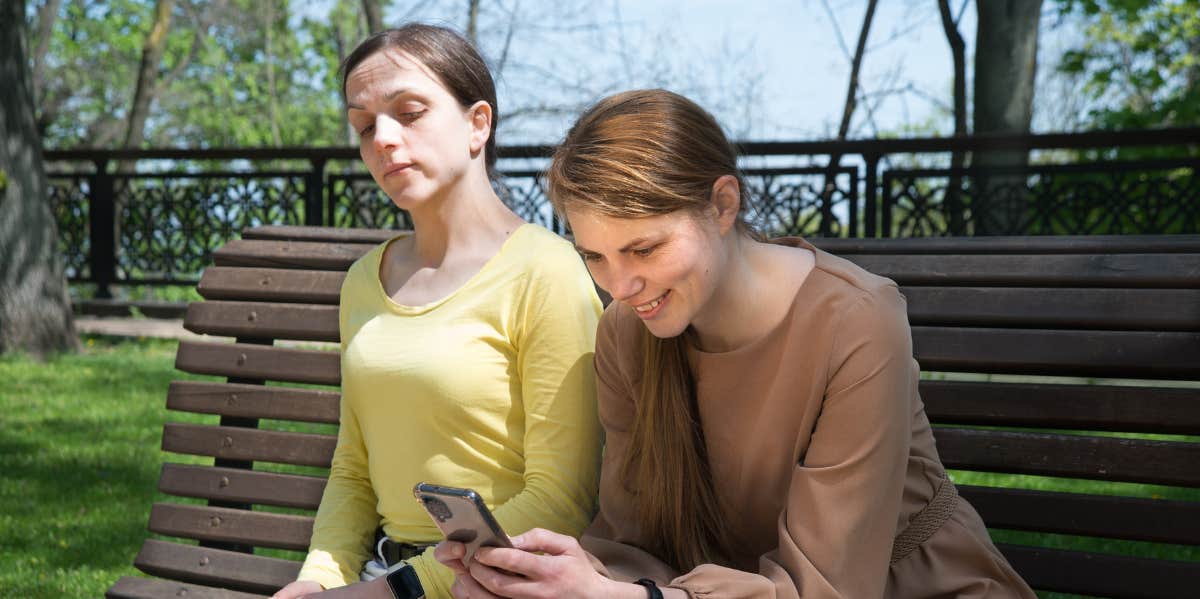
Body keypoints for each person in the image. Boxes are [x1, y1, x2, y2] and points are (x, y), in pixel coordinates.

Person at [434, 89, 1037, 599]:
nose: (621, 284)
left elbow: (828, 585)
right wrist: (559, 579)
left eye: (644, 249)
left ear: (723, 204)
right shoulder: (626, 330)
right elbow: (634, 545)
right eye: (594, 256)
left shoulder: (857, 320)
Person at [270, 24, 603, 599]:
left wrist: (400, 591)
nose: (384, 139)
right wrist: (318, 578)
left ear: (478, 123)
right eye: (365, 125)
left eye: (410, 111)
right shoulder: (362, 282)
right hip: (387, 577)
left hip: (501, 583)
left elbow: (562, 496)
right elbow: (353, 466)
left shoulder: (545, 272)